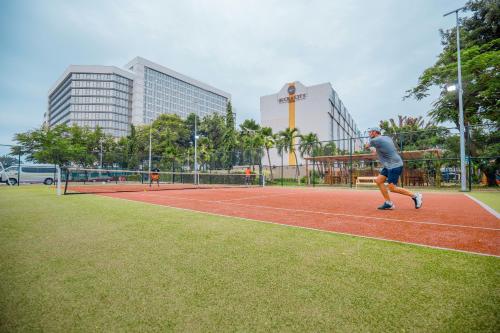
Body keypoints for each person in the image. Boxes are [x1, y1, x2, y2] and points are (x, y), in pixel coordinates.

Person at [365, 127, 422, 210]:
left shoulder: (374, 140)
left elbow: (367, 146)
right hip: (389, 165)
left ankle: (415, 196)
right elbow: (376, 151)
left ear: (374, 132)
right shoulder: (387, 138)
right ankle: (388, 203)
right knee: (379, 181)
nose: (369, 134)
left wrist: (367, 145)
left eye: (370, 132)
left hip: (394, 165)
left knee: (392, 188)